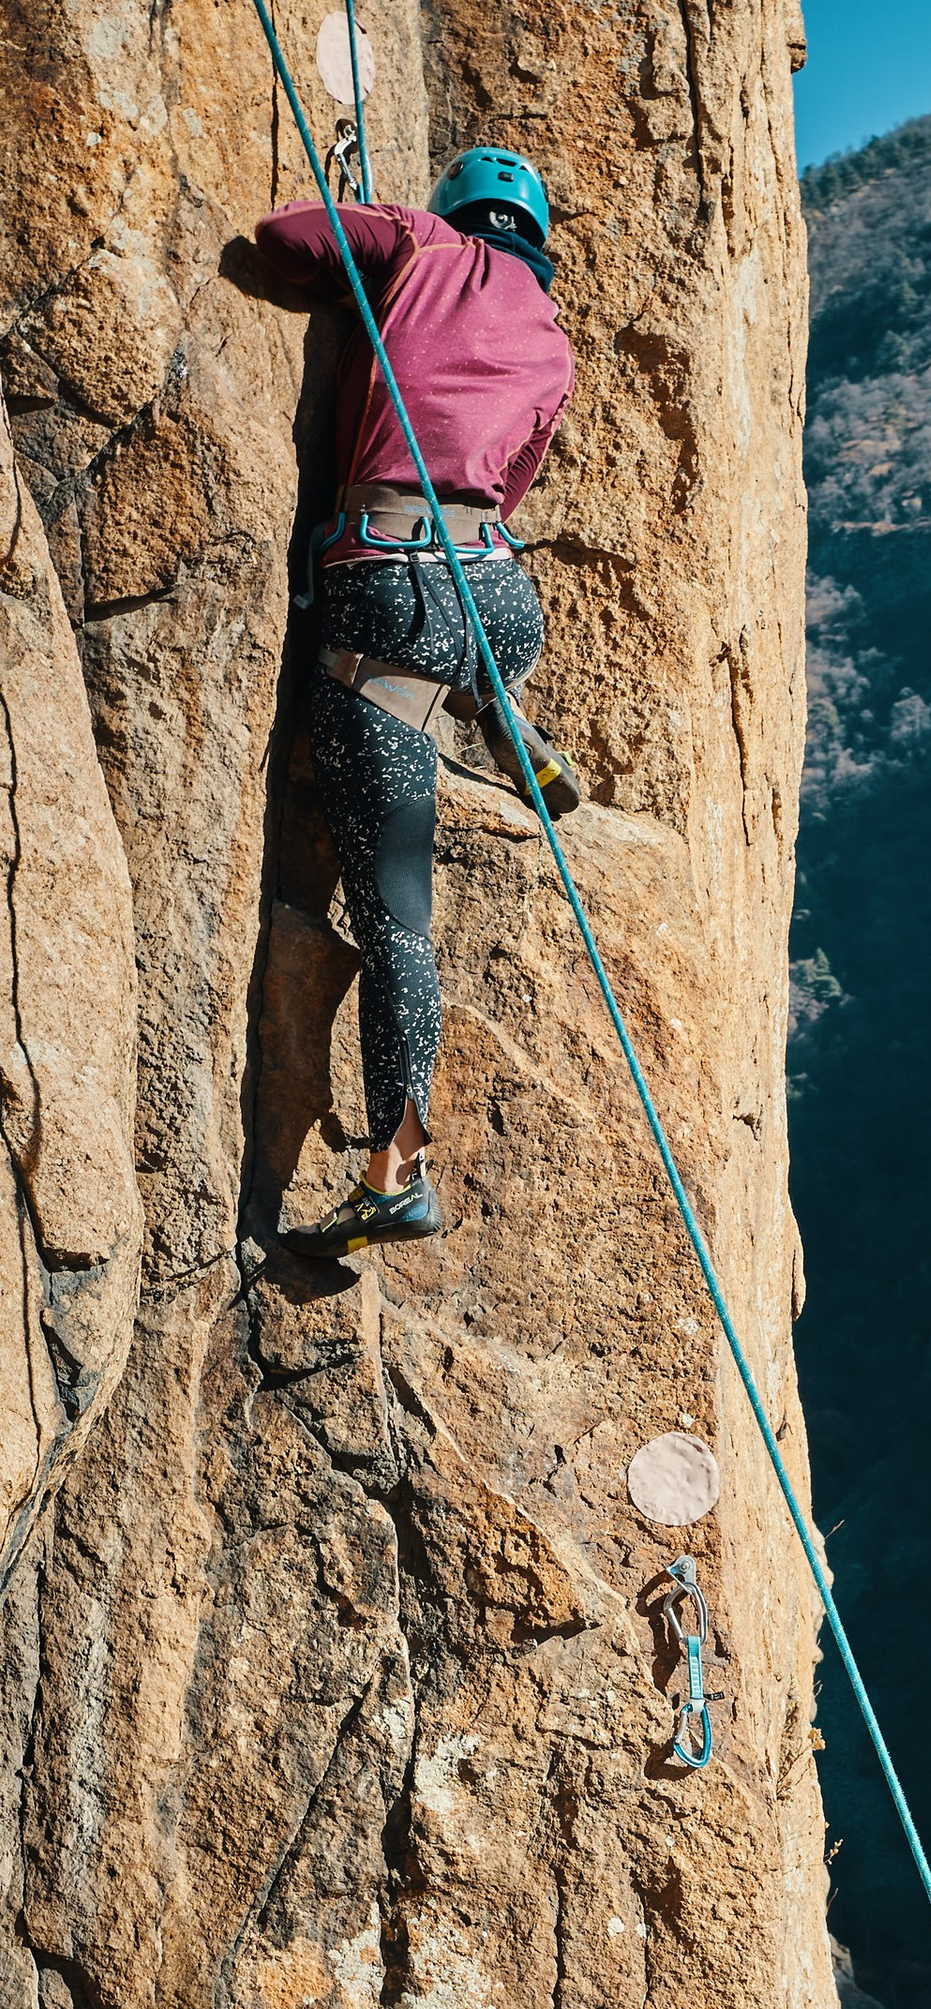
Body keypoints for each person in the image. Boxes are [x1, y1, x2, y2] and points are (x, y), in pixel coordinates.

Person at [257, 146, 574, 1250]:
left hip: (386, 590)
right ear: (533, 237)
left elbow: (280, 241)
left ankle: (398, 1174)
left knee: (397, 918)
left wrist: (366, 226)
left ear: (454, 211)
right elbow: (514, 473)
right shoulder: (549, 334)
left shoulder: (415, 239)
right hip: (496, 591)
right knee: (468, 639)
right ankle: (498, 710)